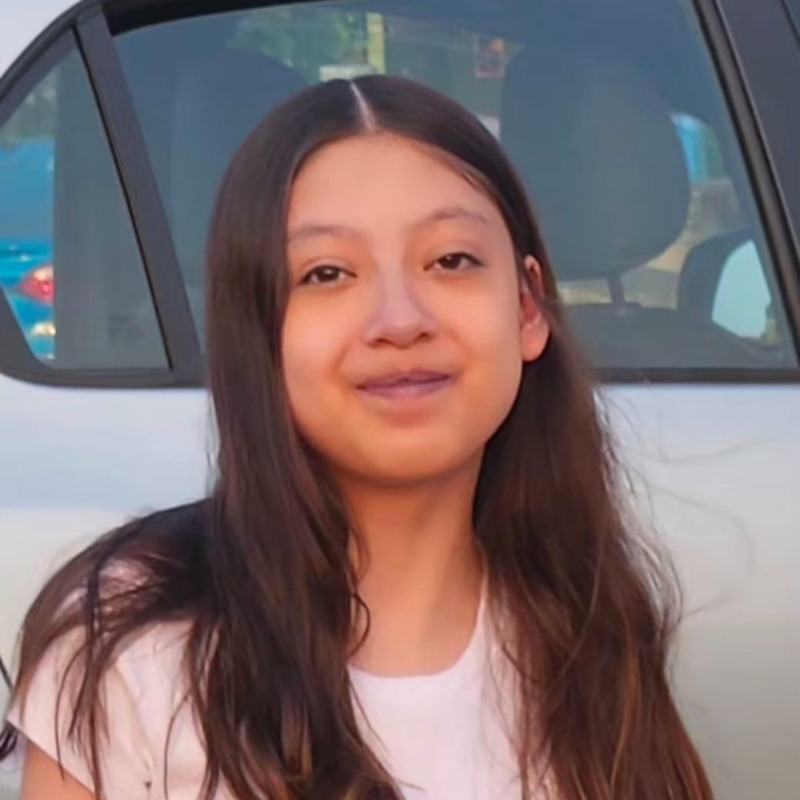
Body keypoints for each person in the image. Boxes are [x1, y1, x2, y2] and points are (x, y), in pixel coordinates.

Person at [0, 76, 713, 800]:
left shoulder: (591, 634)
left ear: (528, 308)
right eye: (327, 273)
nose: (400, 320)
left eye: (451, 260)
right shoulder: (130, 653)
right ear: (256, 333)